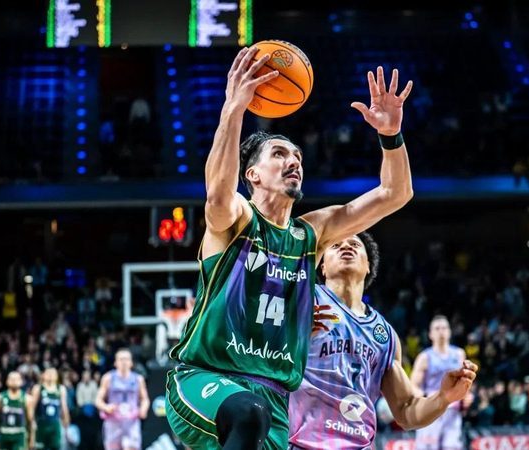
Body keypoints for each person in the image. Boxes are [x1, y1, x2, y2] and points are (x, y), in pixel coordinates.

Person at [166, 45, 414, 450]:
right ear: (254, 175)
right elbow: (217, 193)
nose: (294, 161)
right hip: (204, 377)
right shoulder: (237, 221)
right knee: (246, 413)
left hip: (275, 402)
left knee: (254, 414)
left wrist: (390, 135)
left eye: (297, 156)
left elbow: (395, 193)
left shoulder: (309, 236)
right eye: (279, 154)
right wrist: (234, 108)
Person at [288, 233, 477, 449]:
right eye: (336, 245)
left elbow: (406, 410)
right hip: (300, 443)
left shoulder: (384, 334)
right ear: (321, 266)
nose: (346, 247)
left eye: (355, 245)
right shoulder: (303, 299)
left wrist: (443, 398)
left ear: (368, 265)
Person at [411, 316, 472, 450]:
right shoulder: (424, 357)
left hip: (452, 412)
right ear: (430, 334)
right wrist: (427, 397)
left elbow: (466, 381)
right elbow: (412, 386)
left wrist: (467, 396)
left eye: (444, 328)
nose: (441, 331)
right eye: (437, 329)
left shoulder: (459, 354)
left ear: (449, 332)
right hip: (431, 411)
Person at [96, 349, 150, 450]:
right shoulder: (108, 378)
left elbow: (145, 399)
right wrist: (106, 407)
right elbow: (98, 400)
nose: (124, 362)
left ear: (131, 362)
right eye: (121, 359)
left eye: (126, 359)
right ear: (115, 362)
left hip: (131, 421)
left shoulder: (138, 379)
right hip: (113, 421)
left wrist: (143, 409)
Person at [0, 371, 35, 450]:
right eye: (11, 379)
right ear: (7, 381)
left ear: (21, 382)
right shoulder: (0, 397)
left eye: (17, 379)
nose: (14, 381)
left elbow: (31, 421)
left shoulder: (27, 399)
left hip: (19, 434)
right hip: (4, 434)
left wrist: (32, 438)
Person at [29, 368, 70, 450]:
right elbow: (31, 408)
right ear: (43, 375)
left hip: (55, 424)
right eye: (48, 373)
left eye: (53, 373)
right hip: (41, 424)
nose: (51, 375)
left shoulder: (61, 389)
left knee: (56, 447)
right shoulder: (38, 388)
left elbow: (64, 408)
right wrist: (32, 422)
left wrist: (66, 423)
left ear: (57, 376)